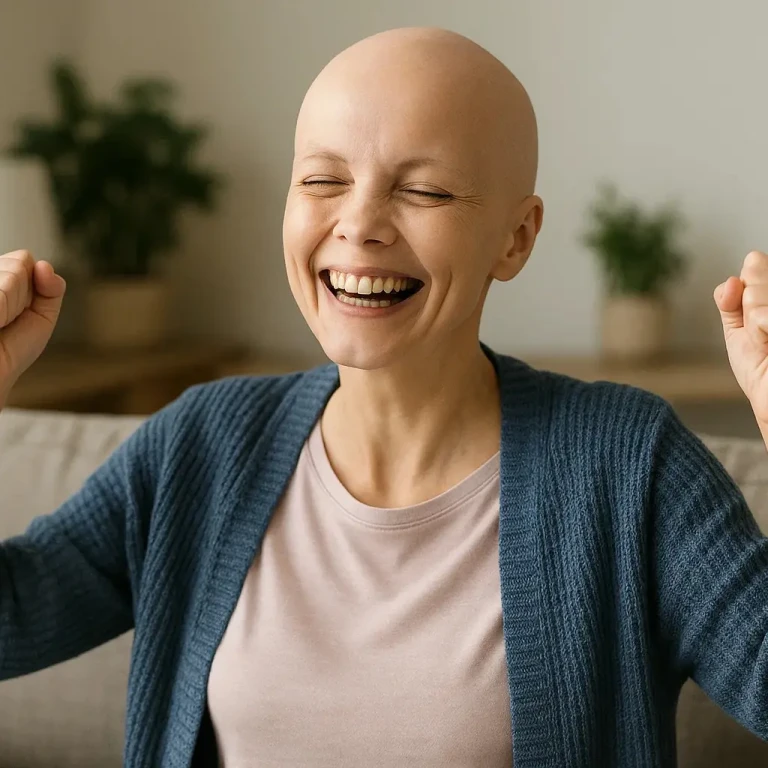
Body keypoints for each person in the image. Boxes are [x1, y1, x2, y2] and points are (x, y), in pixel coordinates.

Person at [0, 26, 766, 768]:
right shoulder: (200, 445)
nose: (358, 224)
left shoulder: (630, 467)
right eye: (322, 180)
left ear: (516, 238)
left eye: (424, 189)